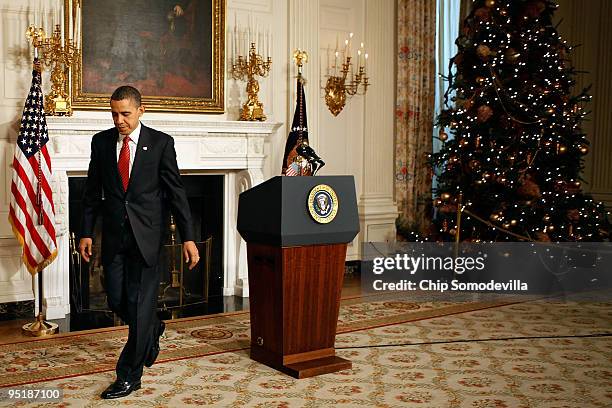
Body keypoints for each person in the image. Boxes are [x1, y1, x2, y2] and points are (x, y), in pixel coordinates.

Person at [79, 85, 199, 399]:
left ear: (140, 111)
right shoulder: (101, 143)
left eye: (125, 113)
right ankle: (154, 328)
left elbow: (177, 194)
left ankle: (129, 376)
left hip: (148, 239)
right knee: (117, 300)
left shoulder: (160, 143)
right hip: (115, 238)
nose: (119, 120)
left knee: (141, 309)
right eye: (114, 113)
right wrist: (87, 232)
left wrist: (189, 238)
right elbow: (92, 192)